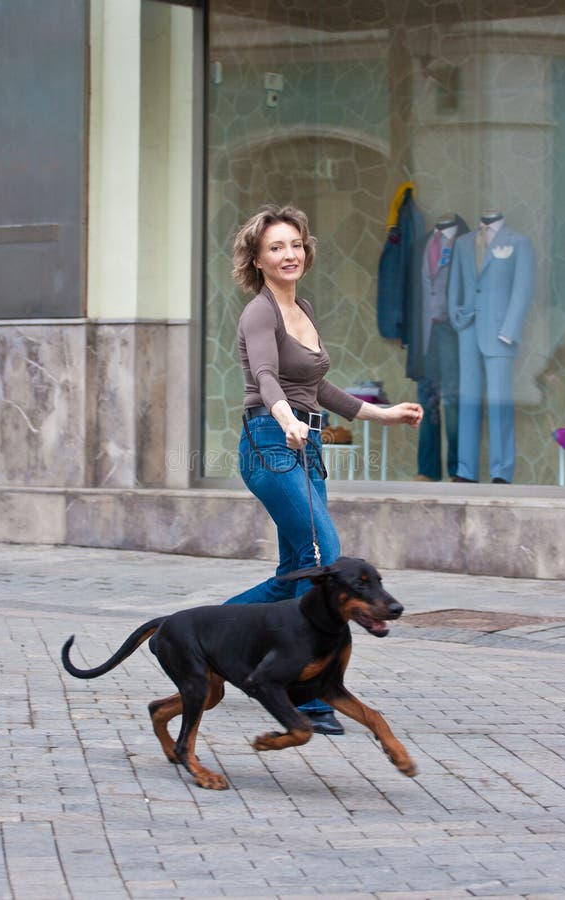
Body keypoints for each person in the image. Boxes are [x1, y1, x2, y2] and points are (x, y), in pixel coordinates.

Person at [224, 203, 423, 735]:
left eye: (295, 245)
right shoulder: (259, 313)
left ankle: (212, 631)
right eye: (275, 248)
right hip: (271, 440)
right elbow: (267, 378)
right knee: (326, 559)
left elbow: (320, 388)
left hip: (305, 442)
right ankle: (310, 694)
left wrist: (382, 413)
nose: (289, 254)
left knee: (297, 572)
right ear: (258, 259)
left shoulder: (303, 307)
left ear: (306, 251)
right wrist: (287, 418)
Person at [448, 210, 536, 484]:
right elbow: (456, 284)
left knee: (500, 403)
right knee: (468, 401)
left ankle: (501, 471)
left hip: (500, 333)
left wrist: (509, 331)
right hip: (468, 329)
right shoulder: (464, 243)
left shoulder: (518, 243)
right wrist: (456, 316)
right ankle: (466, 470)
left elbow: (523, 289)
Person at [406, 214, 469, 481]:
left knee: (453, 401)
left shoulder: (466, 243)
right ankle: (428, 470)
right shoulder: (421, 244)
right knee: (426, 401)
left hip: (452, 331)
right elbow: (411, 290)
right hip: (425, 333)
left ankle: (458, 469)